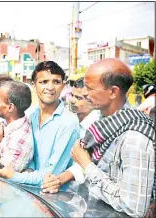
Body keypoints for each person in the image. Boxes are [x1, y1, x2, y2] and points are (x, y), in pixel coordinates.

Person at [63, 58, 154, 217]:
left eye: (90, 88)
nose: (84, 92)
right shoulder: (104, 123)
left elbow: (132, 206)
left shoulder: (134, 138)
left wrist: (87, 165)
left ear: (113, 92)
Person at [0, 61, 80, 187]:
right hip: (25, 192)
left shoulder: (68, 122)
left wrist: (14, 176)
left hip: (52, 198)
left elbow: (52, 174)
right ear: (33, 85)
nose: (50, 87)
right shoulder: (31, 116)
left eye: (56, 82)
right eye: (43, 82)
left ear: (63, 86)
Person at [41, 76, 100, 193]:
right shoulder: (68, 119)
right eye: (72, 95)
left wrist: (60, 179)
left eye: (79, 98)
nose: (72, 101)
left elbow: (86, 161)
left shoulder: (96, 127)